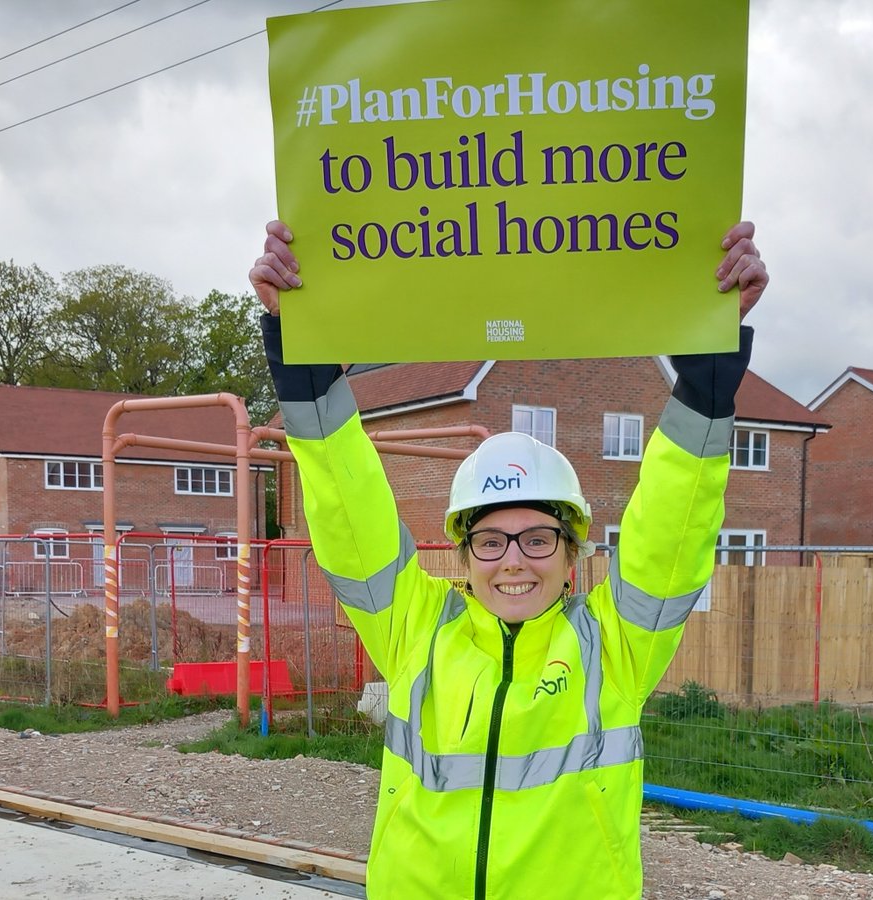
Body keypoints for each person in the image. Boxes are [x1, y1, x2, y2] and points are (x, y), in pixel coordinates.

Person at [250, 220, 768, 900]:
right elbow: (348, 507)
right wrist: (304, 352)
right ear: (464, 554)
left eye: (537, 537)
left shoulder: (614, 644)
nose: (513, 561)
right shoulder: (415, 628)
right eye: (490, 541)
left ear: (570, 552)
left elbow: (673, 524)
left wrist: (706, 368)